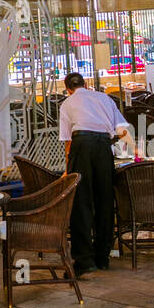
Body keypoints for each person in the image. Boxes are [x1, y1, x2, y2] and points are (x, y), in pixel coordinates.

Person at [59, 72, 130, 277]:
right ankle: (103, 257)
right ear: (86, 84)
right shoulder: (104, 98)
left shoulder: (68, 103)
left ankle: (84, 260)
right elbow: (122, 130)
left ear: (68, 89)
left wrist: (68, 169)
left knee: (81, 201)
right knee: (105, 199)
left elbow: (68, 141)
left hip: (81, 145)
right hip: (103, 147)